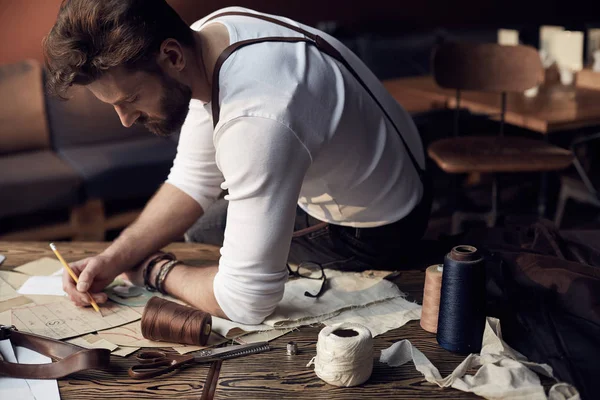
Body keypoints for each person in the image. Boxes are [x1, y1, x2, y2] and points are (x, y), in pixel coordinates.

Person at [44, 0, 431, 325]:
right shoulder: (213, 31)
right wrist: (113, 257)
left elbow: (246, 303)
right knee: (204, 222)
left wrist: (150, 270)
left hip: (377, 230)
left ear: (172, 56)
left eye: (129, 99)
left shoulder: (258, 117)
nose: (126, 119)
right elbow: (193, 179)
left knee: (202, 234)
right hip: (406, 174)